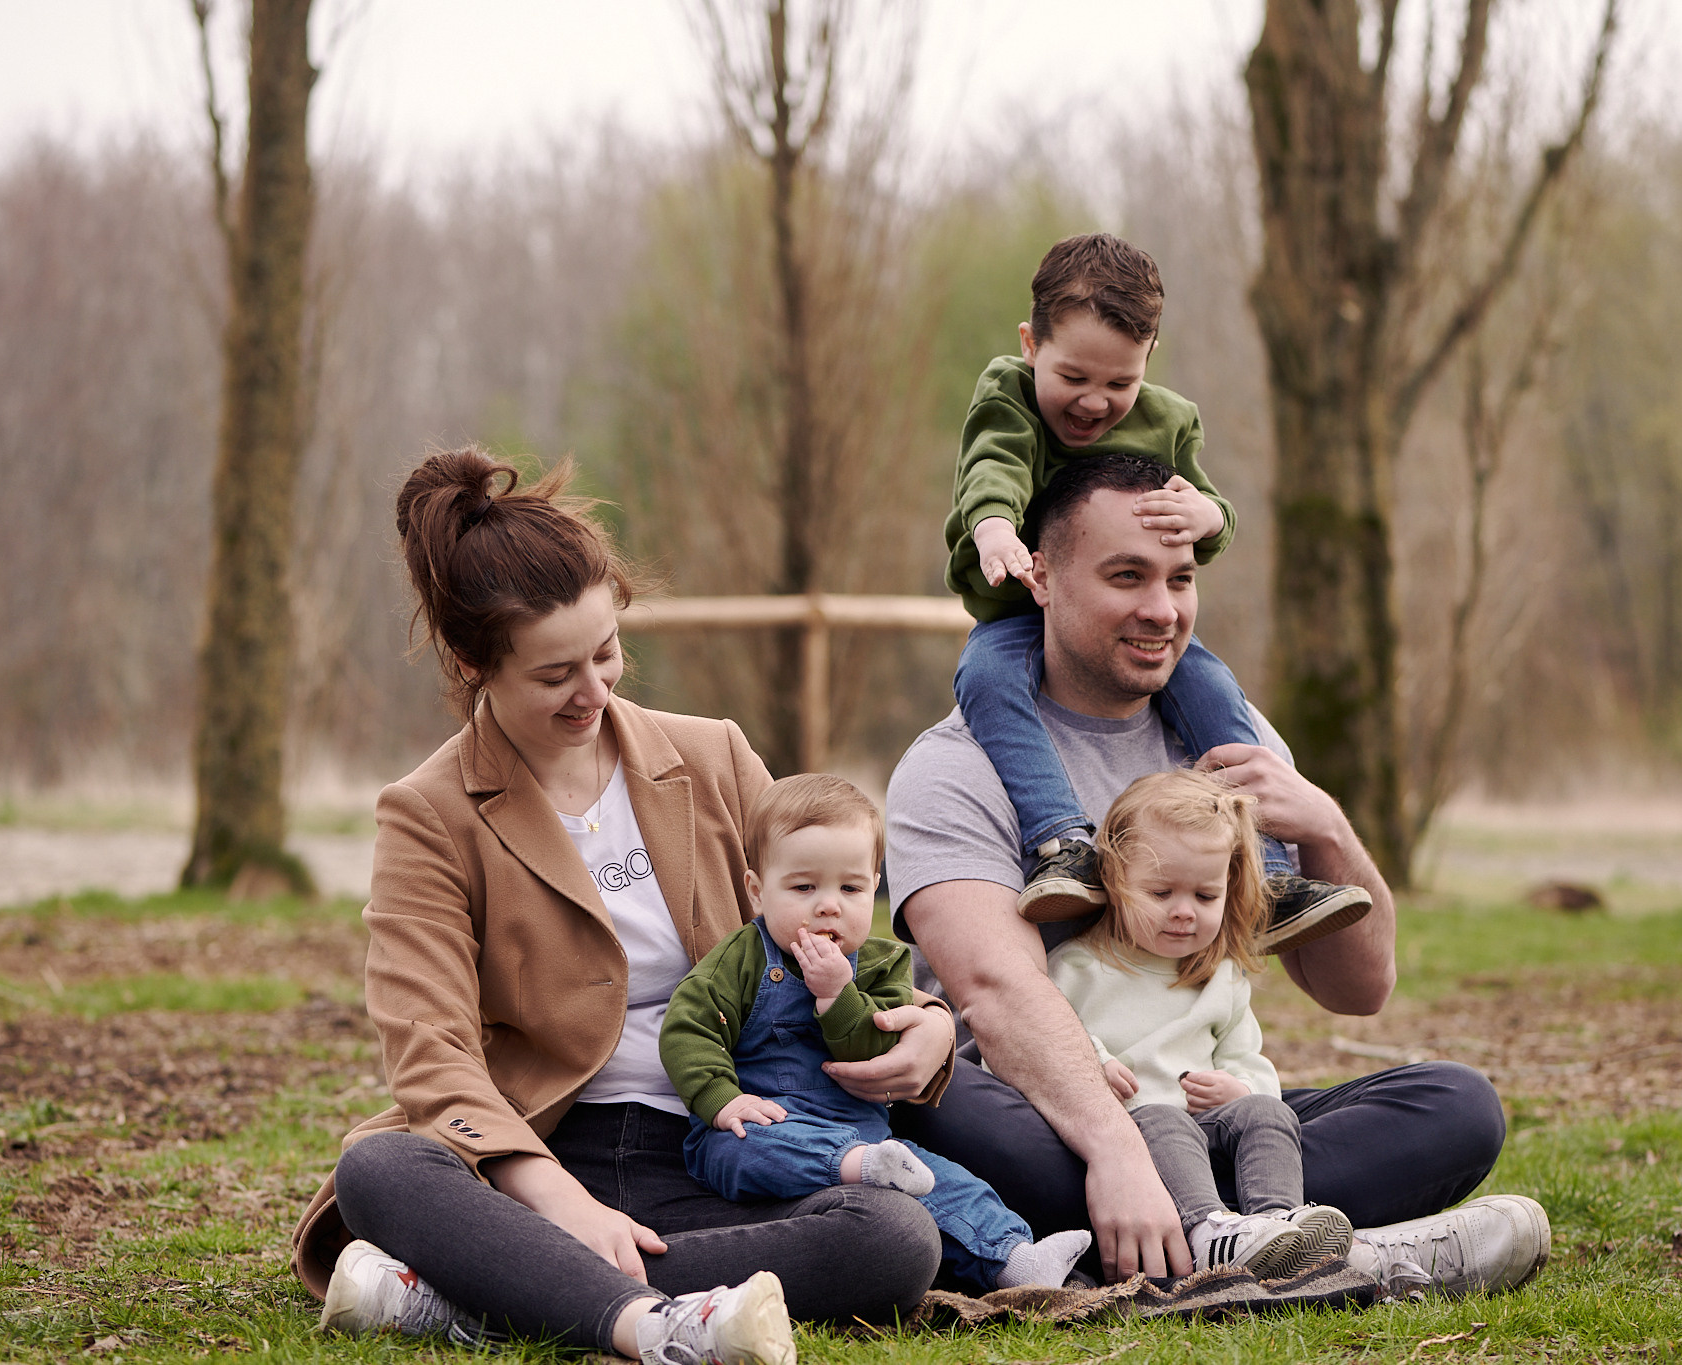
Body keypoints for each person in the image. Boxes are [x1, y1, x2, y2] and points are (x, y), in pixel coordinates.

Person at [288, 448, 957, 1364]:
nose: (595, 691)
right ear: (470, 661)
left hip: (719, 1139)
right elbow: (431, 1054)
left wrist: (924, 1022)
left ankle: (496, 1292)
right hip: (544, 1158)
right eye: (556, 673)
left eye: (606, 653)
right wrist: (561, 1205)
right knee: (379, 1168)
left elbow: (830, 921)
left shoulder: (714, 755)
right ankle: (650, 1322)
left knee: (893, 1237)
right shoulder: (428, 814)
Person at [889, 452, 1547, 1296]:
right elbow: (997, 993)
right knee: (933, 1100)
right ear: (1042, 578)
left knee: (1456, 1105)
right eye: (1127, 576)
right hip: (1047, 1125)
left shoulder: (1234, 740)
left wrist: (1326, 824)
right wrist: (1117, 1151)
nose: (1161, 610)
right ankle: (1340, 1252)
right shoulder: (955, 768)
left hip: (1202, 1114)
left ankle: (1224, 1239)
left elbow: (1360, 988)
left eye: (1180, 578)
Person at [944, 232, 1368, 949]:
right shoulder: (1008, 395)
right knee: (984, 675)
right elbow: (995, 466)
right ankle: (1061, 845)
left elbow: (1208, 507)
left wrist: (1208, 516)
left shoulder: (1169, 419)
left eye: (1120, 383)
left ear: (1148, 362)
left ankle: (1265, 868)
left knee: (1206, 685)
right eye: (1074, 377)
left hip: (1126, 625)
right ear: (1030, 344)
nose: (1094, 402)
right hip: (1021, 609)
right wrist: (991, 528)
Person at [661, 774, 1093, 1293]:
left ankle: (1017, 1260)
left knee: (946, 1181)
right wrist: (720, 1100)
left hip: (869, 1137)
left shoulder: (882, 966)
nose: (829, 905)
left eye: (850, 888)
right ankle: (855, 1166)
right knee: (743, 1149)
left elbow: (876, 1046)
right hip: (757, 1123)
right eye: (803, 888)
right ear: (757, 890)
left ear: (874, 883)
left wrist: (837, 996)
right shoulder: (741, 960)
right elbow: (687, 1028)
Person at [1049, 769, 1352, 1280]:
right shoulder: (1077, 966)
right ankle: (1210, 1231)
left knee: (1267, 1113)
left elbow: (1248, 1060)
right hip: (1129, 1133)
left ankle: (1277, 1225)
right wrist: (1093, 1062)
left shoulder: (1222, 976)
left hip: (1206, 1127)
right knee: (1163, 1118)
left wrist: (1240, 1088)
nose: (1184, 913)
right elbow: (1033, 1043)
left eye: (1205, 897)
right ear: (1116, 878)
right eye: (1162, 892)